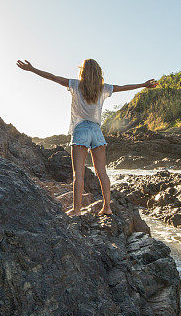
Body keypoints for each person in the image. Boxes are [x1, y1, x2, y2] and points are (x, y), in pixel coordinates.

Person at [16, 58, 158, 216]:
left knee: (78, 174)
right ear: (98, 73)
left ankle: (77, 211)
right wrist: (144, 85)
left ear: (82, 72)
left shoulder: (75, 85)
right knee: (102, 172)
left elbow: (53, 77)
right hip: (97, 132)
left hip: (81, 130)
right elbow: (124, 87)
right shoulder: (103, 88)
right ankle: (107, 207)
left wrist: (32, 69)